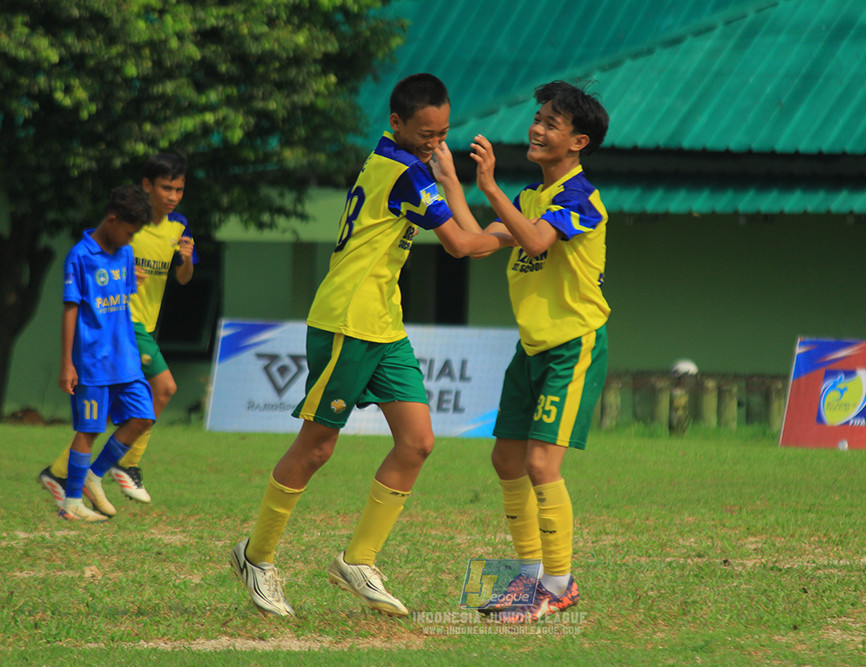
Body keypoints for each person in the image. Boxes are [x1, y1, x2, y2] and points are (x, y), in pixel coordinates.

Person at [230, 73, 514, 618]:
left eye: (443, 134)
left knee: (418, 442)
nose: (436, 143)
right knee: (317, 447)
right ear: (396, 123)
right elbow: (462, 244)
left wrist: (453, 180)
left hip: (384, 324)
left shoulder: (402, 161)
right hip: (347, 321)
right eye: (426, 134)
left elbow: (465, 231)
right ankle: (256, 556)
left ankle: (358, 560)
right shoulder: (405, 173)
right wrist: (525, 233)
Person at [469, 81, 610, 623]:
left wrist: (489, 186)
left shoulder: (580, 197)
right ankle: (528, 578)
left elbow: (534, 241)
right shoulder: (529, 196)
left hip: (573, 345)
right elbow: (473, 243)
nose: (536, 128)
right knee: (506, 459)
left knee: (540, 463)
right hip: (531, 348)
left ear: (578, 142)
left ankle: (558, 585)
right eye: (538, 118)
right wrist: (448, 184)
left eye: (551, 123)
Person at [38, 152, 197, 508]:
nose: (173, 196)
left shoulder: (179, 226)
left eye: (179, 189)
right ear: (147, 186)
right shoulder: (127, 224)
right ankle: (125, 465)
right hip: (124, 324)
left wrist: (186, 261)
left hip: (146, 326)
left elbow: (184, 279)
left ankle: (61, 472)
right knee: (164, 388)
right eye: (166, 188)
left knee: (111, 409)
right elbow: (98, 267)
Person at [54, 184, 157, 522]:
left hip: (125, 358)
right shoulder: (80, 256)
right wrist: (67, 362)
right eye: (129, 231)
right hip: (93, 361)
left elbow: (122, 299)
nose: (131, 238)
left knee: (143, 416)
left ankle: (94, 476)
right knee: (90, 429)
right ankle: (71, 503)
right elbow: (71, 309)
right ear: (112, 219)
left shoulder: (125, 253)